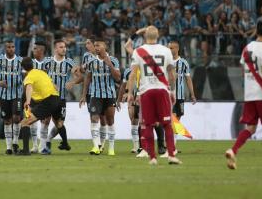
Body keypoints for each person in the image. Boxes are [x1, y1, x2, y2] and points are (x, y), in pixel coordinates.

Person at [225, 19, 262, 170]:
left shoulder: (247, 48)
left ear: (256, 31)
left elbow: (244, 71)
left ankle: (233, 150)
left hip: (249, 95)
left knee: (251, 128)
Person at [126, 26, 182, 165]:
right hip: (162, 90)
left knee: (147, 124)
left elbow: (132, 74)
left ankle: (152, 157)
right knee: (167, 123)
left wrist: (129, 93)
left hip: (146, 91)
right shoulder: (166, 51)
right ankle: (171, 155)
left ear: (145, 37)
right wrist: (173, 92)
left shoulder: (139, 51)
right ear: (158, 36)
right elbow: (171, 74)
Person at [80, 37, 121, 156]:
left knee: (110, 121)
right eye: (95, 45)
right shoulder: (91, 61)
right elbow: (87, 77)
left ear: (105, 47)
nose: (96, 48)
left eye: (99, 45)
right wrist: (83, 95)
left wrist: (110, 66)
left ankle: (111, 148)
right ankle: (96, 146)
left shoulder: (113, 60)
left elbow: (118, 77)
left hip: (109, 95)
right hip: (95, 95)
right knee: (94, 119)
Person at [18, 57, 66, 155]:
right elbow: (53, 85)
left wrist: (27, 101)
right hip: (57, 99)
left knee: (25, 122)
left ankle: (26, 151)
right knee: (58, 123)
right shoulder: (42, 72)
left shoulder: (29, 76)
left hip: (48, 101)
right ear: (32, 64)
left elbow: (29, 88)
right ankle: (64, 143)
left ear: (23, 68)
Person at [41, 39, 80, 154]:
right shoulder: (47, 61)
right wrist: (50, 83)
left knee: (59, 124)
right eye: (61, 47)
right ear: (55, 49)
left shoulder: (69, 63)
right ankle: (44, 147)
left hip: (61, 99)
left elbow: (80, 77)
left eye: (65, 47)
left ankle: (50, 141)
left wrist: (72, 82)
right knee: (46, 121)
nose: (64, 49)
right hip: (48, 97)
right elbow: (41, 76)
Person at [159, 40, 197, 157]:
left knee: (177, 120)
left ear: (177, 49)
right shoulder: (164, 62)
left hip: (180, 96)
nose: (170, 50)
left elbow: (188, 79)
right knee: (171, 120)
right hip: (168, 96)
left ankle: (172, 145)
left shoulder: (183, 63)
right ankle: (171, 146)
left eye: (172, 48)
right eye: (169, 48)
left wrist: (192, 94)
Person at [0, 40, 23, 155]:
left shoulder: (20, 61)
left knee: (16, 118)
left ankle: (15, 142)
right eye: (9, 47)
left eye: (13, 47)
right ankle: (9, 147)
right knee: (7, 120)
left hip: (17, 94)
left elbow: (25, 76)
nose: (11, 49)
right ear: (5, 48)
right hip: (4, 95)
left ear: (15, 48)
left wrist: (22, 82)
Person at [80, 37, 108, 151]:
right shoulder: (86, 56)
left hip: (103, 92)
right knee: (93, 117)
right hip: (91, 92)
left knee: (103, 118)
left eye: (89, 43)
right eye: (86, 43)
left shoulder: (105, 56)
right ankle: (96, 144)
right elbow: (84, 72)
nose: (87, 46)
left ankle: (102, 143)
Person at [31, 40, 48, 153]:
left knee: (45, 121)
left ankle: (42, 146)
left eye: (35, 48)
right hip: (32, 95)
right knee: (32, 120)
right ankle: (34, 145)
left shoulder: (49, 62)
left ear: (41, 50)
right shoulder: (29, 62)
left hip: (46, 95)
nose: (33, 50)